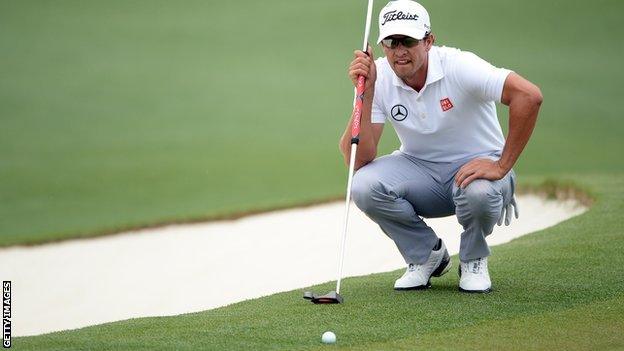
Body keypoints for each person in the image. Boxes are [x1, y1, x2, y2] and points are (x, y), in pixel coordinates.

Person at [339, 0, 542, 293]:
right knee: (363, 185)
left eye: (408, 41)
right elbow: (358, 159)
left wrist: (501, 165)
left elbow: (529, 96)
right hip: (421, 170)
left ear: (429, 41)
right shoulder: (378, 76)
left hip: (479, 167)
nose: (400, 51)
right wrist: (366, 94)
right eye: (391, 42)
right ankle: (426, 256)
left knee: (479, 193)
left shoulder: (459, 66)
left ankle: (473, 259)